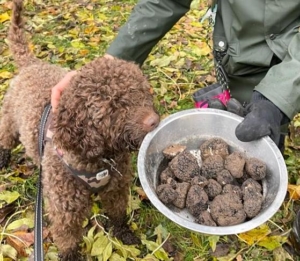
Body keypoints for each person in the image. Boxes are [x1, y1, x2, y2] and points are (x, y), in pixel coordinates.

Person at [51, 0, 300, 255]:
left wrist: (279, 97)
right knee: (246, 130)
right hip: (240, 52)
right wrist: (110, 61)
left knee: (266, 128)